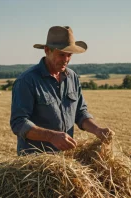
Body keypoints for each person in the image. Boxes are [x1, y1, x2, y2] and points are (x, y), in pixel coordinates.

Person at [10, 26, 113, 155]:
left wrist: (97, 130)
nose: (66, 60)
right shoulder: (27, 81)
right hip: (34, 163)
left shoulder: (72, 77)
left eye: (69, 55)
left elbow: (80, 113)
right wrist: (51, 136)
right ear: (47, 51)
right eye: (61, 54)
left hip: (64, 161)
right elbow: (18, 123)